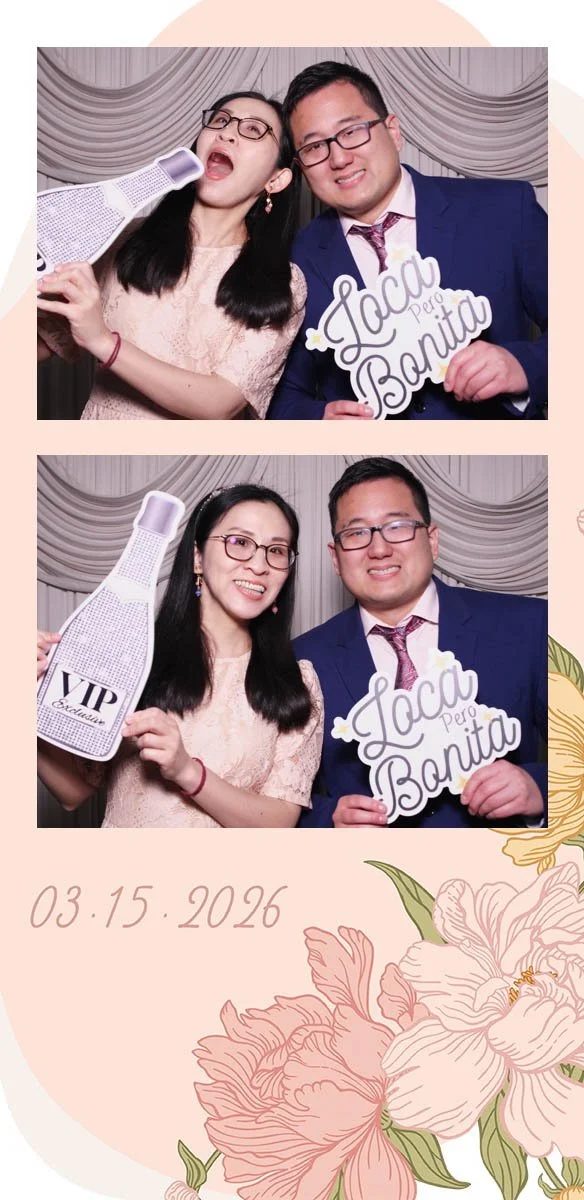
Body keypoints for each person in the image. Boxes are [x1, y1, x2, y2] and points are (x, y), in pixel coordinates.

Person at [267, 61, 547, 421]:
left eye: (352, 131)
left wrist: (525, 365)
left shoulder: (504, 210)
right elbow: (281, 394)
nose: (339, 158)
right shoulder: (296, 258)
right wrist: (318, 419)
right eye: (315, 147)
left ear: (393, 131)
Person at [37, 484, 323, 827]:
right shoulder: (135, 657)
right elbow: (73, 792)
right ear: (197, 557)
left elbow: (278, 824)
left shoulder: (297, 683)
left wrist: (187, 771)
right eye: (239, 542)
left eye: (276, 550)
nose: (259, 565)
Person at [293, 458, 547, 827]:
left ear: (432, 539)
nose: (379, 549)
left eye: (397, 526)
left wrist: (540, 788)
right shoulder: (302, 658)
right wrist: (326, 821)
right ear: (336, 557)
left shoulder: (530, 626)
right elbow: (272, 798)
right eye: (357, 533)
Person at [37, 92, 306, 420]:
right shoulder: (126, 238)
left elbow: (219, 403)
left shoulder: (282, 283)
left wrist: (104, 342)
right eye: (220, 120)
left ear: (276, 179)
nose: (227, 132)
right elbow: (46, 340)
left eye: (253, 129)